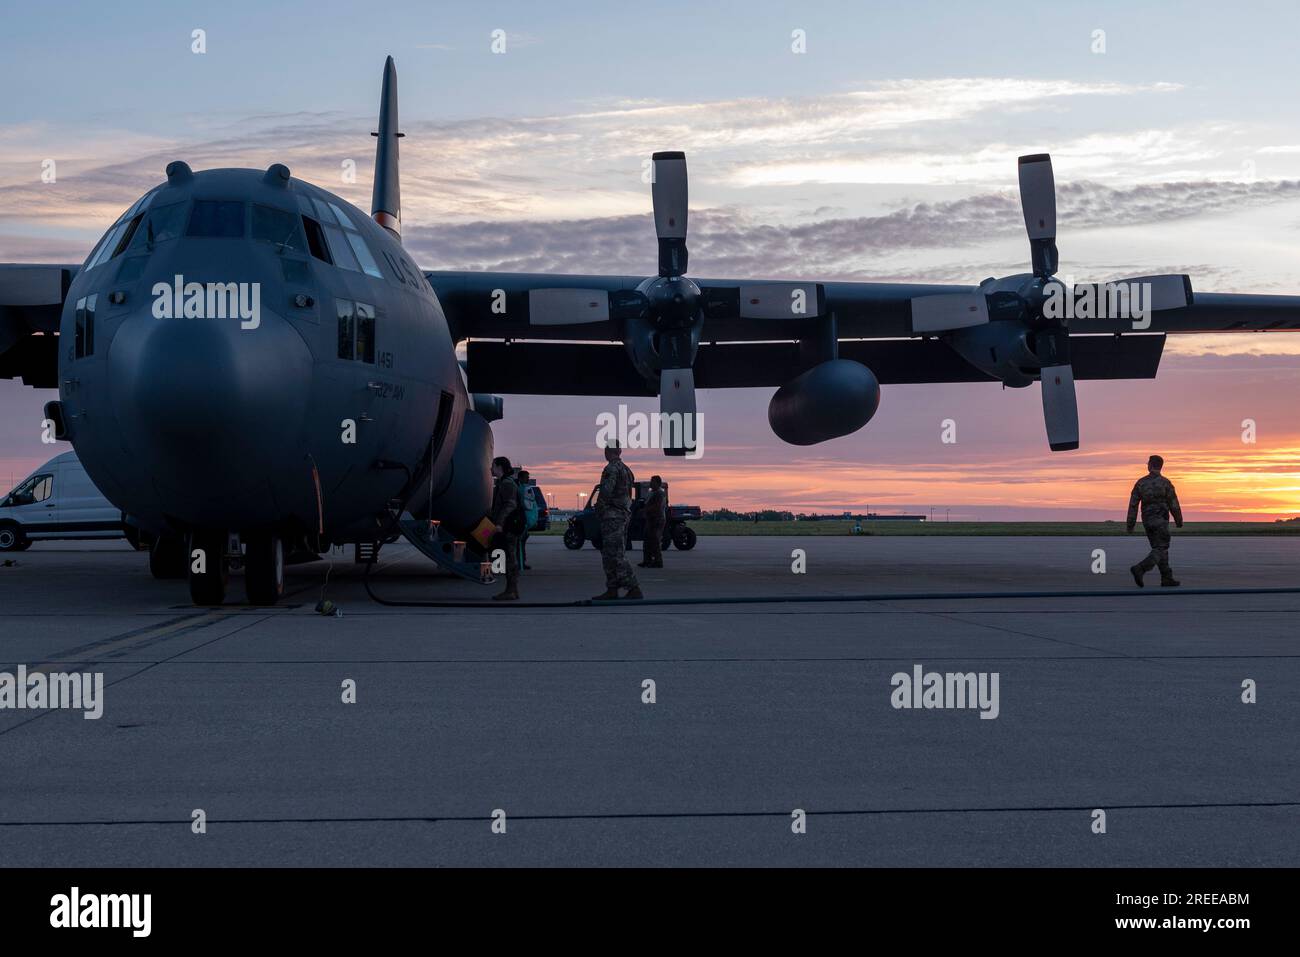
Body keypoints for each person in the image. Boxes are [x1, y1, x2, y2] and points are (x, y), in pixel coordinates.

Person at [592, 442, 642, 600]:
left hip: (612, 515)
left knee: (615, 554)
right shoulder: (627, 470)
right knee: (609, 553)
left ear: (607, 452)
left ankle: (633, 587)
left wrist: (599, 510)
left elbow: (606, 492)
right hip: (622, 514)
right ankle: (612, 588)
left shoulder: (611, 469)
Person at [1127, 454, 1184, 587]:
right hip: (1160, 520)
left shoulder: (1140, 483)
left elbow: (1133, 505)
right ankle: (1141, 568)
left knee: (1158, 547)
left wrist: (1131, 524)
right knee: (1162, 547)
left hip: (1147, 520)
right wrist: (1179, 520)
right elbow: (1174, 504)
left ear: (1151, 465)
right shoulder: (1166, 483)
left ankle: (1167, 577)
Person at [489, 456, 522, 600]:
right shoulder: (504, 483)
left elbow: (509, 505)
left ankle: (511, 590)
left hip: (508, 526)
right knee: (509, 557)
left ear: (499, 467)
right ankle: (512, 590)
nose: (491, 469)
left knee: (510, 558)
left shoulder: (507, 484)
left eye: (493, 466)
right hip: (507, 525)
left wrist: (500, 524)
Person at [638, 475, 667, 569]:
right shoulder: (651, 492)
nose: (650, 483)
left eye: (652, 481)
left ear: (658, 483)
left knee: (655, 540)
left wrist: (645, 510)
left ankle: (658, 561)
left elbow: (657, 507)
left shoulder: (660, 493)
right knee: (647, 540)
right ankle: (647, 560)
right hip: (650, 519)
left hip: (657, 519)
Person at [516, 469, 533, 571]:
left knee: (522, 542)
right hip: (519, 519)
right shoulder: (520, 489)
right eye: (527, 477)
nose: (528, 479)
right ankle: (520, 562)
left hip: (523, 520)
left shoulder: (523, 488)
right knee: (519, 543)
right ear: (521, 478)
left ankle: (522, 562)